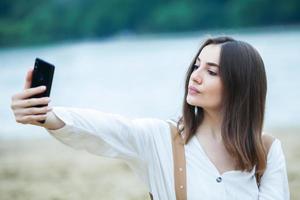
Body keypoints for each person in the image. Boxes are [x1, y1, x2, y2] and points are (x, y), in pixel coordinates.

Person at [11, 36, 290, 199]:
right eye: (196, 65)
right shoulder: (162, 138)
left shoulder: (265, 151)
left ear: (240, 85)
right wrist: (47, 116)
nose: (195, 75)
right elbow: (105, 129)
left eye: (212, 71)